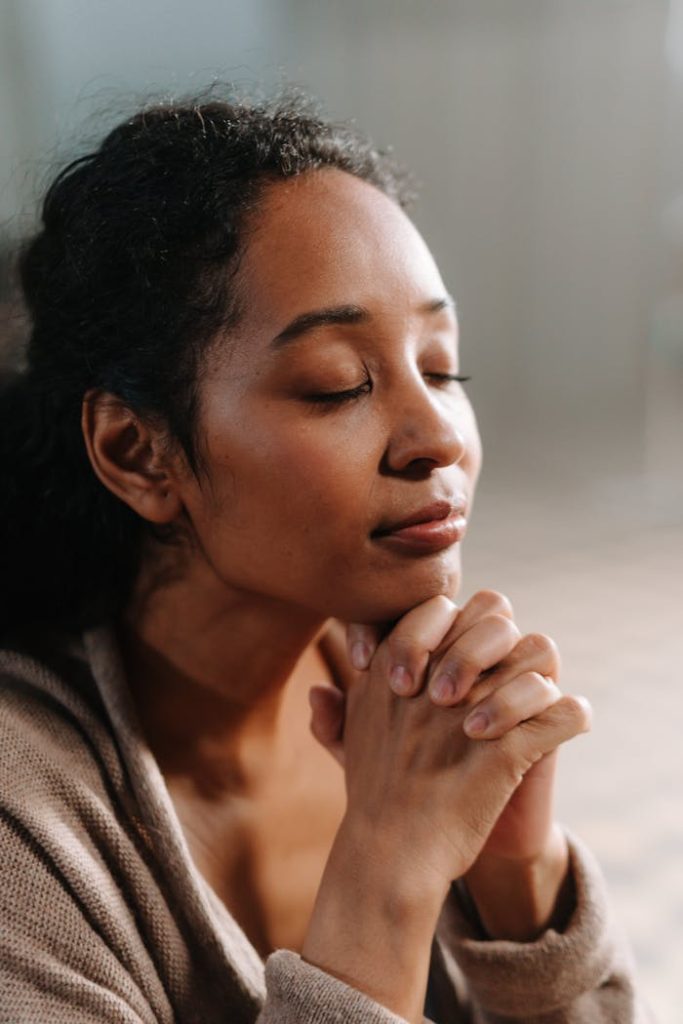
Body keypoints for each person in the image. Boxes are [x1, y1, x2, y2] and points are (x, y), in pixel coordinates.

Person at [0, 92, 652, 1024]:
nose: (437, 437)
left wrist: (516, 876)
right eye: (336, 384)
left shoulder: (411, 707)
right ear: (139, 452)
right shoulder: (24, 830)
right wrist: (385, 870)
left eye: (441, 365)